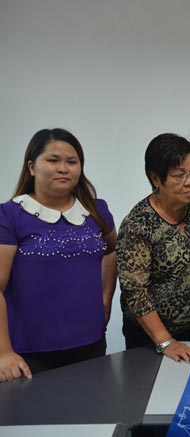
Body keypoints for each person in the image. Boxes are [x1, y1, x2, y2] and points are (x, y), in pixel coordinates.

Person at [0, 128, 116, 382]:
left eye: (72, 162)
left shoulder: (97, 211)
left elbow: (112, 250)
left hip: (91, 345)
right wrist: (4, 352)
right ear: (32, 167)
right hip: (28, 354)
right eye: (53, 160)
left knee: (91, 415)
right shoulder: (9, 216)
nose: (64, 168)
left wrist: (106, 297)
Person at [117, 133, 190, 363]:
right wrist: (165, 341)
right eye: (179, 176)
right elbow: (135, 291)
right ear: (156, 179)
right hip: (150, 336)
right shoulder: (139, 224)